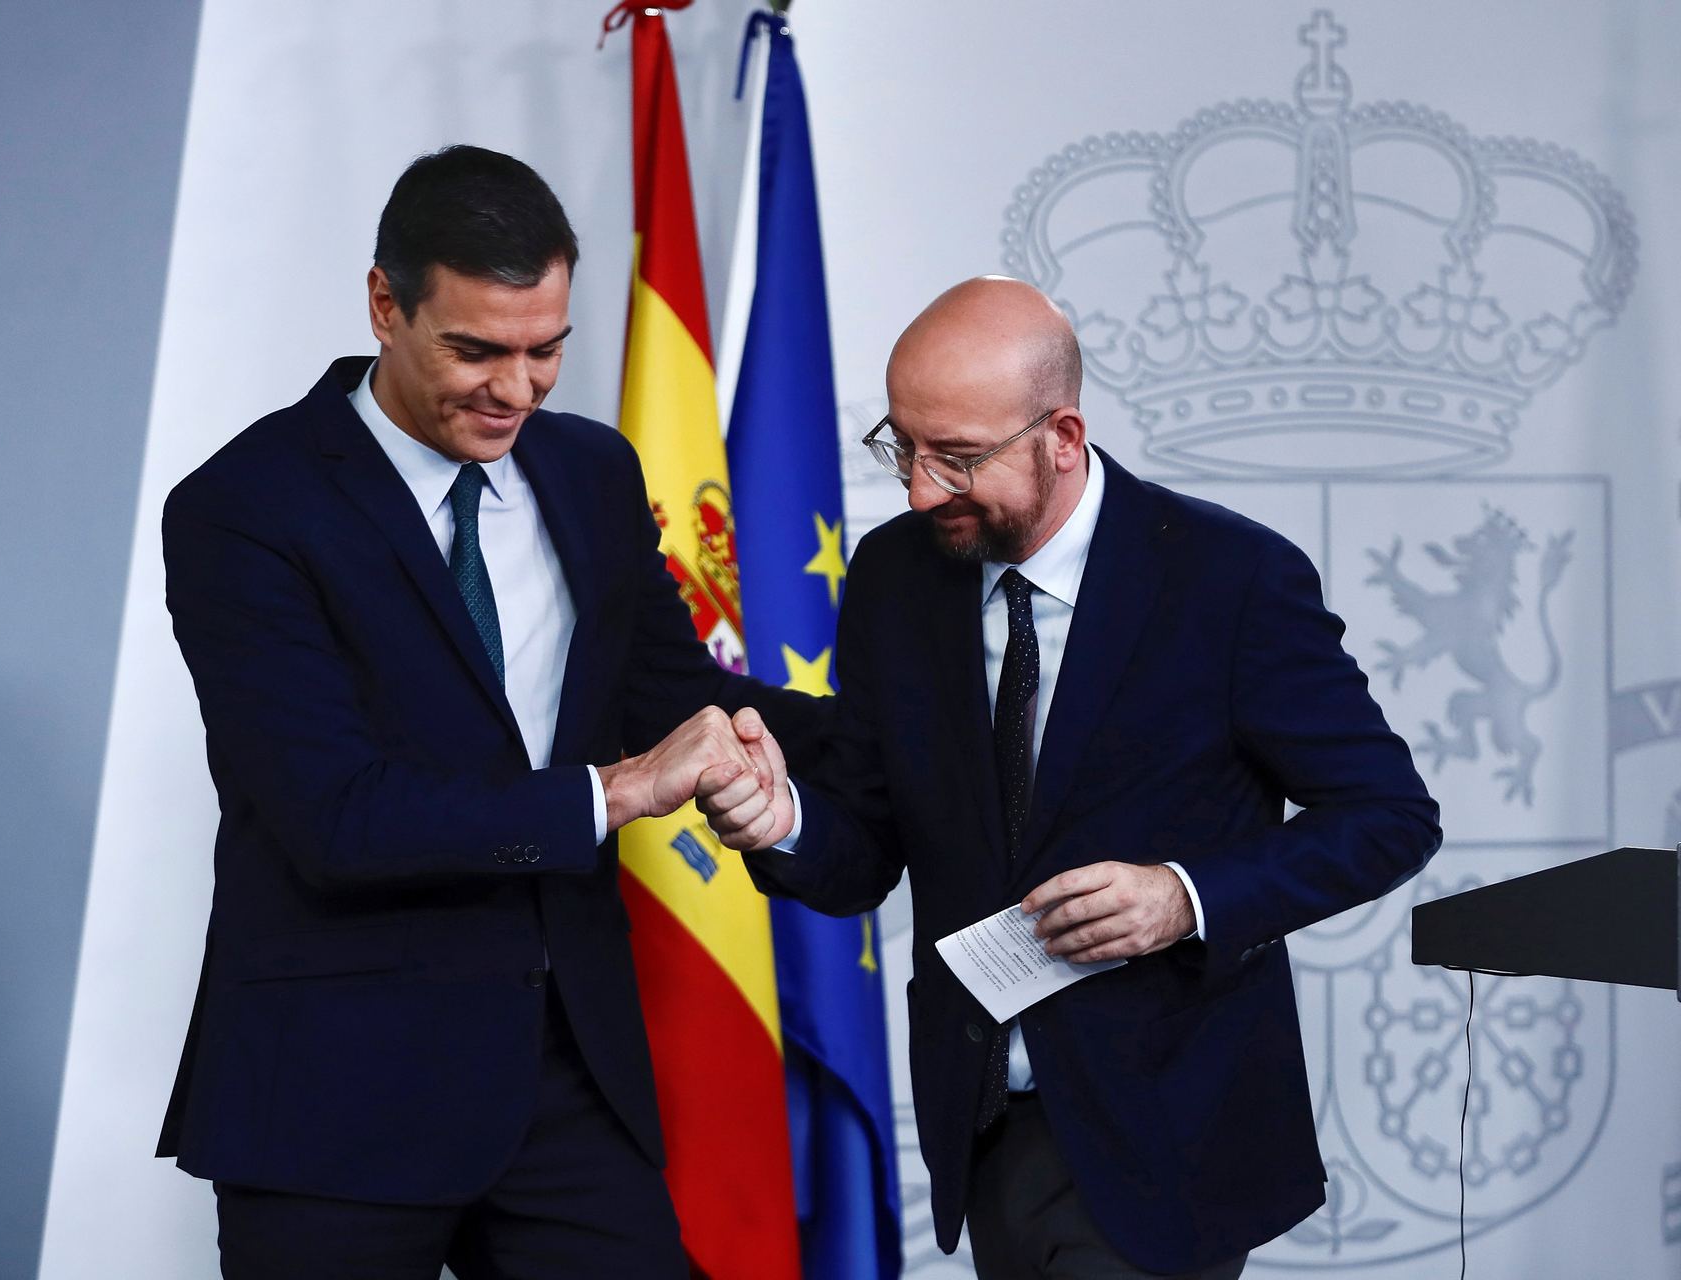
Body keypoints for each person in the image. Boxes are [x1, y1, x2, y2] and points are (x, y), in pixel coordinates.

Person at [155, 144, 823, 1279]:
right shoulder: (243, 507)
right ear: (384, 303)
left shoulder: (591, 472)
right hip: (333, 1098)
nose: (515, 388)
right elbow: (338, 814)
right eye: (475, 348)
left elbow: (679, 696)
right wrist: (615, 792)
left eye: (545, 348)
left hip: (564, 1081)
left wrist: (901, 735)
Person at [699, 278, 1442, 1279]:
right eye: (903, 447)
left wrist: (1184, 896)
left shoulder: (1229, 578)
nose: (920, 490)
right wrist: (782, 818)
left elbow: (1390, 815)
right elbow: (864, 851)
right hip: (985, 1121)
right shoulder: (892, 574)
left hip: (1164, 1125)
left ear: (1063, 434)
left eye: (957, 458)